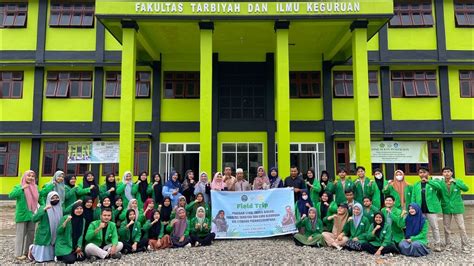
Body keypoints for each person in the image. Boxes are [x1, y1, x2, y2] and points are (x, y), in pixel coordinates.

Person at [410, 167, 443, 251]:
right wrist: (412, 207)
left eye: (424, 172)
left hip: (431, 209)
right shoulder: (416, 184)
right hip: (420, 210)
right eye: (420, 173)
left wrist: (428, 181)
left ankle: (437, 244)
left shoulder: (433, 182)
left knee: (434, 227)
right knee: (422, 227)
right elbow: (413, 196)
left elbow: (439, 187)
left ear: (428, 173)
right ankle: (424, 243)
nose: (422, 174)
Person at [9, 170, 39, 260]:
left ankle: (27, 252)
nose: (30, 178)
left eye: (32, 176)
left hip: (32, 214)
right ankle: (18, 254)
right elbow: (11, 195)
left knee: (31, 233)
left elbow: (39, 197)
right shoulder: (18, 186)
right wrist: (22, 188)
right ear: (24, 177)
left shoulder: (35, 187)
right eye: (28, 176)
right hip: (22, 214)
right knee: (21, 234)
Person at [439, 167, 470, 251]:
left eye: (448, 171)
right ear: (442, 174)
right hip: (446, 207)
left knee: (461, 227)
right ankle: (448, 244)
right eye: (445, 172)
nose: (447, 173)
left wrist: (456, 182)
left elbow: (466, 188)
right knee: (446, 227)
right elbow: (438, 195)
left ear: (451, 173)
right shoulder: (441, 183)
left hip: (457, 207)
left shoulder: (457, 181)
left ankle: (465, 245)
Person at [29, 191, 63, 262]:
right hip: (44, 232)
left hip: (54, 232)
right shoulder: (43, 207)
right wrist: (44, 210)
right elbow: (34, 219)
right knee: (42, 253)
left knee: (50, 253)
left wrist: (75, 204)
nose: (55, 199)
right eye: (52, 198)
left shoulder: (59, 208)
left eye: (57, 197)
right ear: (48, 199)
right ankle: (32, 250)